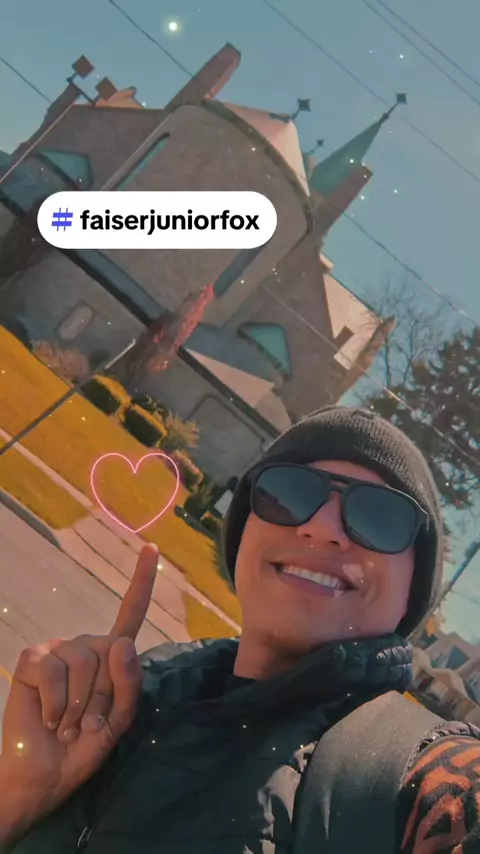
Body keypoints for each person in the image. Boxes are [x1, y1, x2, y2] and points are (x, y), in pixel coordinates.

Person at [1, 406, 479, 853]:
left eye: (381, 516)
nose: (321, 527)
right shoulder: (131, 693)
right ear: (244, 531)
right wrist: (21, 798)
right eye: (290, 492)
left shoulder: (424, 776)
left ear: (413, 590)